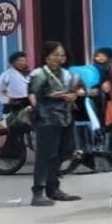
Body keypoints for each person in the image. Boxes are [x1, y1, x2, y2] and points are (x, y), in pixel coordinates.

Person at [25, 41, 83, 207]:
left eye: (62, 55)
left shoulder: (67, 74)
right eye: (55, 55)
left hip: (65, 117)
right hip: (46, 118)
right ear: (46, 56)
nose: (59, 58)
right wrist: (61, 95)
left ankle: (53, 187)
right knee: (45, 155)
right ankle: (38, 192)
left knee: (65, 151)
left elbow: (80, 88)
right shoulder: (39, 74)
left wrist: (75, 94)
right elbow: (36, 92)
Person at [0, 51, 30, 118]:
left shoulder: (28, 74)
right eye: (19, 61)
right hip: (12, 105)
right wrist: (7, 100)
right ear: (13, 62)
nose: (22, 63)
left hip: (26, 104)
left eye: (24, 60)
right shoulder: (7, 74)